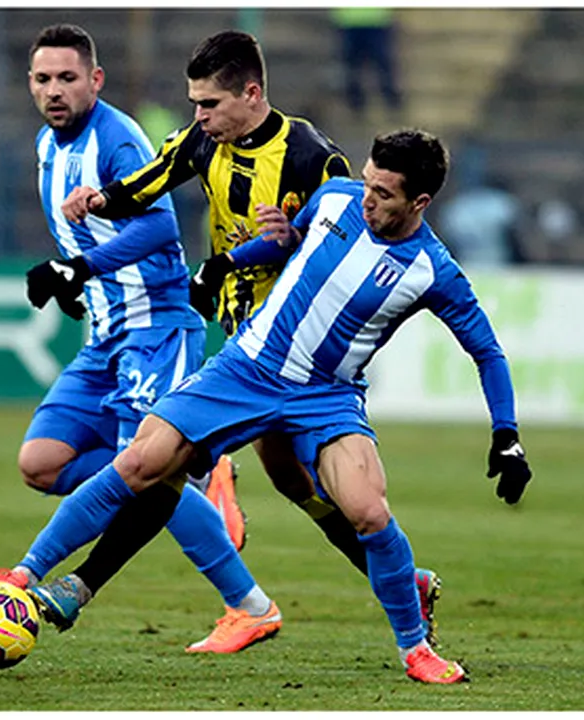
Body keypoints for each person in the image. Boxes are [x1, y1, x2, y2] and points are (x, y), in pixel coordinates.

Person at [25, 129, 532, 684]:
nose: (368, 198)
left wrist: (506, 435)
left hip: (326, 396)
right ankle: (29, 576)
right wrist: (227, 262)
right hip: (248, 367)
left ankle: (416, 651)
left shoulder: (432, 270)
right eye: (368, 183)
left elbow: (486, 351)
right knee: (142, 461)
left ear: (420, 204)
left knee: (368, 510)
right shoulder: (337, 195)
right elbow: (292, 239)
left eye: (384, 194)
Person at [57, 30, 445, 647]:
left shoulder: (313, 156)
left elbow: (349, 245)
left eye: (208, 104)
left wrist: (285, 240)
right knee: (291, 484)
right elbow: (154, 178)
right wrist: (101, 197)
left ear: (252, 93)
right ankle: (403, 582)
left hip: (294, 353)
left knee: (166, 466)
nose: (198, 117)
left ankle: (84, 584)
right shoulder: (204, 141)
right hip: (243, 335)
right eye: (195, 105)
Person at [10, 23, 279, 654]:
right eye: (44, 79)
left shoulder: (117, 140)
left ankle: (249, 605)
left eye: (68, 78)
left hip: (157, 327)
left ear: (94, 80)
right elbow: (88, 237)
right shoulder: (47, 146)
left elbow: (159, 228)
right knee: (40, 463)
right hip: (105, 334)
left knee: (147, 474)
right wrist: (77, 280)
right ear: (30, 84)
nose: (55, 91)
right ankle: (200, 475)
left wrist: (80, 268)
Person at [331, 7, 402, 118]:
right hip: (351, 21)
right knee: (353, 66)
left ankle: (390, 100)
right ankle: (356, 103)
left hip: (375, 21)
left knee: (380, 64)